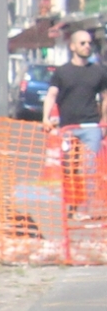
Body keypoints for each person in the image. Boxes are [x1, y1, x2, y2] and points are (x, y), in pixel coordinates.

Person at [44, 24, 107, 192]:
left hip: (91, 126)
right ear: (72, 46)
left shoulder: (98, 71)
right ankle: (71, 205)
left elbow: (105, 97)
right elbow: (51, 95)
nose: (87, 46)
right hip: (68, 128)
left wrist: (104, 122)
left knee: (90, 168)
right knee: (70, 168)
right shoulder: (62, 72)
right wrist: (45, 118)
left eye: (89, 43)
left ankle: (86, 208)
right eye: (82, 43)